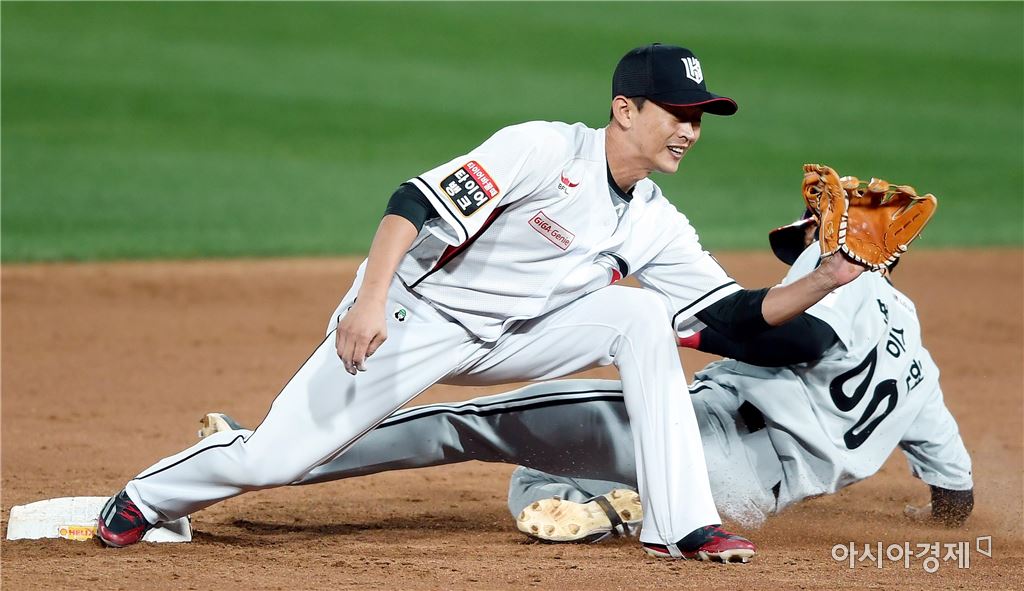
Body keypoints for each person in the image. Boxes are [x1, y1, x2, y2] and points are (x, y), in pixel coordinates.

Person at [97, 43, 866, 562]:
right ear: (626, 109)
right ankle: (144, 496)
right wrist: (369, 301)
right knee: (276, 457)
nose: (690, 130)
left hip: (517, 336)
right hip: (413, 318)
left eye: (697, 117)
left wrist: (825, 277)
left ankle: (682, 524)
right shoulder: (543, 149)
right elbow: (412, 202)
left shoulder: (655, 219)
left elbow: (731, 316)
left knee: (640, 315)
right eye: (677, 112)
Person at [197, 212, 973, 544]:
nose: (802, 241)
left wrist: (689, 327)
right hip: (746, 498)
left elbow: (796, 337)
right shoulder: (920, 368)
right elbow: (957, 490)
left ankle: (266, 450)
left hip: (698, 437)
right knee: (535, 478)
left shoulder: (839, 281)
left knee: (465, 425)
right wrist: (937, 519)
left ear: (847, 248)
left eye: (813, 232)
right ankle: (610, 508)